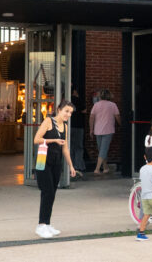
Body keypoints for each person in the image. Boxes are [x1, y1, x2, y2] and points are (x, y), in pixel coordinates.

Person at [33, 99, 77, 239]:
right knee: (47, 191)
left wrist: (71, 166)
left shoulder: (65, 126)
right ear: (59, 110)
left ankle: (47, 223)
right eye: (66, 111)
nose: (68, 114)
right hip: (43, 160)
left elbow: (65, 148)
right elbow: (36, 139)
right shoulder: (48, 121)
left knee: (52, 193)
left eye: (70, 113)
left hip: (56, 162)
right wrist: (53, 141)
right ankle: (41, 225)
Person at [89, 89, 120, 175]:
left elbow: (91, 117)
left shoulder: (96, 105)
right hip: (108, 130)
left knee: (101, 150)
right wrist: (121, 124)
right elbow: (117, 117)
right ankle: (97, 169)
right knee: (103, 150)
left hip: (97, 130)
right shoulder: (113, 105)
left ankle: (105, 168)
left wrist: (91, 129)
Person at [69, 87, 86, 177]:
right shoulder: (78, 100)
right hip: (78, 126)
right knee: (78, 147)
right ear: (74, 91)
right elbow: (84, 110)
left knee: (70, 146)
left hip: (69, 126)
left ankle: (70, 166)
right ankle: (78, 166)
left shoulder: (66, 101)